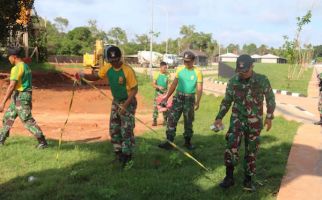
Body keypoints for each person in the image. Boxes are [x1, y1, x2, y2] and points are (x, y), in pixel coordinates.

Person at [213, 54, 276, 191]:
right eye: (240, 71)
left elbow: (270, 98)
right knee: (231, 147)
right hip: (237, 121)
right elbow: (227, 100)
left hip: (254, 123)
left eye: (245, 71)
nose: (242, 74)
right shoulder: (233, 81)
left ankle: (248, 180)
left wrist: (269, 117)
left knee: (251, 151)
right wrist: (219, 117)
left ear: (252, 66)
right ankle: (229, 178)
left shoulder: (261, 80)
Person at [75, 45, 138, 167]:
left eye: (116, 60)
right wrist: (83, 75)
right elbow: (96, 76)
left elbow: (134, 90)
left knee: (126, 130)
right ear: (108, 60)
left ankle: (127, 157)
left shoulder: (127, 70)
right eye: (111, 60)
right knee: (114, 128)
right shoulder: (107, 67)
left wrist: (125, 106)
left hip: (128, 102)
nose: (114, 63)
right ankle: (119, 154)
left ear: (120, 58)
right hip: (116, 101)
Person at [0, 48, 48, 148]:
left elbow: (12, 86)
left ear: (14, 57)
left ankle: (42, 142)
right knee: (8, 117)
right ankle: (1, 140)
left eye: (9, 57)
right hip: (19, 96)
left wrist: (3, 102)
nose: (8, 59)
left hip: (21, 96)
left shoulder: (16, 68)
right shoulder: (25, 66)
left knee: (27, 119)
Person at [158, 50, 203, 150]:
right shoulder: (180, 70)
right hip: (178, 98)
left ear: (193, 60)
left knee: (188, 121)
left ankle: (187, 142)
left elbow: (199, 88)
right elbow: (174, 84)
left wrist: (197, 102)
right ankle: (169, 142)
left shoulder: (197, 72)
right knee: (172, 119)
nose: (186, 63)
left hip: (189, 99)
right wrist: (167, 96)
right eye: (185, 61)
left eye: (188, 61)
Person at [152, 61, 170, 126]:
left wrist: (168, 92)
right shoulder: (157, 74)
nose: (165, 69)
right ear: (160, 67)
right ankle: (154, 120)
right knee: (156, 107)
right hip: (158, 93)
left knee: (165, 107)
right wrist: (158, 87)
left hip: (165, 94)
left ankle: (165, 120)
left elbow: (169, 83)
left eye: (166, 67)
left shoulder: (168, 74)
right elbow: (153, 84)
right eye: (164, 67)